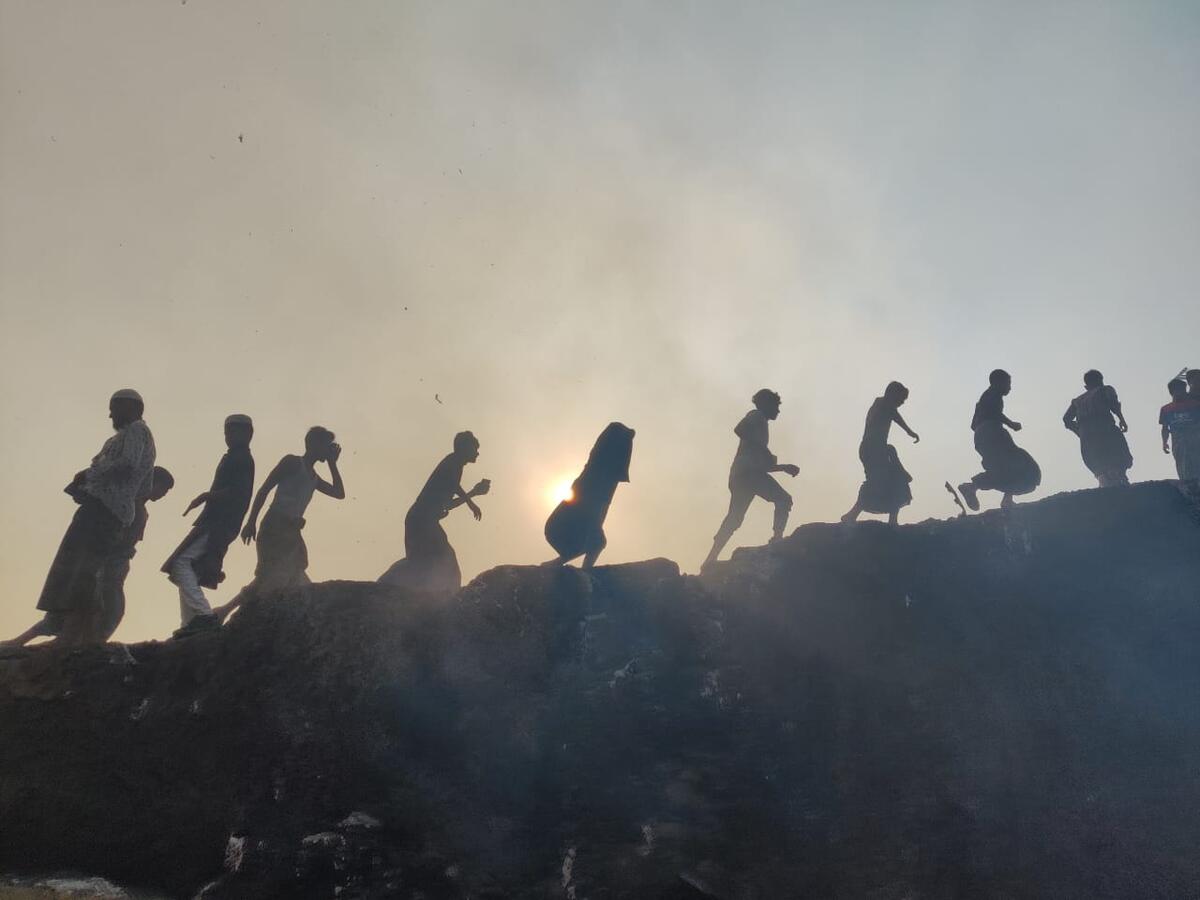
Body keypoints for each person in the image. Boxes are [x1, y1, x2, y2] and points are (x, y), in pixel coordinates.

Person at [8, 390, 158, 649]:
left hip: (105, 512)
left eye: (114, 408)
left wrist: (90, 474)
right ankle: (74, 635)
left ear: (130, 407)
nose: (110, 414)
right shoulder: (125, 436)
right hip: (102, 508)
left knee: (83, 573)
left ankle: (76, 637)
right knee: (74, 571)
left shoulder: (137, 431)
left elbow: (128, 465)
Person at [211, 426, 344, 625]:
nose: (329, 449)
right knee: (270, 575)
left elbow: (339, 493)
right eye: (326, 445)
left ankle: (224, 611)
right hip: (275, 525)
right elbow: (264, 490)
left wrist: (332, 463)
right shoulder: (292, 462)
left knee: (288, 574)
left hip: (292, 532)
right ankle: (228, 613)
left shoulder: (314, 478)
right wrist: (251, 521)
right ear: (313, 444)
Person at [163, 415, 256, 637]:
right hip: (217, 521)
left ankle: (204, 616)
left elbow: (238, 492)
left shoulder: (242, 459)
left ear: (248, 434)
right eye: (226, 432)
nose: (228, 437)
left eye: (233, 432)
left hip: (219, 522)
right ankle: (190, 625)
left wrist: (207, 496)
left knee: (180, 563)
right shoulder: (234, 457)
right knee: (192, 568)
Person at [379, 431, 490, 593]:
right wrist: (471, 499)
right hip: (421, 522)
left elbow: (449, 499)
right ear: (465, 448)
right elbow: (452, 489)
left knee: (428, 563)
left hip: (422, 521)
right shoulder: (453, 463)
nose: (477, 453)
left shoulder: (454, 465)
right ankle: (388, 585)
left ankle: (389, 585)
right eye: (475, 448)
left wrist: (472, 495)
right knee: (440, 563)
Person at [702, 390, 799, 570]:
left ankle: (710, 558)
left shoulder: (760, 424)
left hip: (742, 475)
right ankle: (777, 538)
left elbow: (760, 460)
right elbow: (740, 429)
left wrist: (783, 467)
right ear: (766, 404)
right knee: (783, 499)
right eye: (776, 406)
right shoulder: (757, 416)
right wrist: (764, 450)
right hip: (749, 474)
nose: (778, 411)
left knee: (735, 517)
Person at [543, 422, 635, 569]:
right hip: (573, 515)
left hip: (583, 511)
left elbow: (602, 505)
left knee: (596, 542)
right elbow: (596, 502)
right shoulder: (599, 470)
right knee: (596, 542)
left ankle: (579, 568)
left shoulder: (606, 474)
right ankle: (580, 568)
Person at [98, 467, 175, 641]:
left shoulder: (141, 510)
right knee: (112, 610)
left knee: (111, 610)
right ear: (152, 483)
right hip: (110, 564)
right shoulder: (130, 505)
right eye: (163, 489)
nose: (163, 495)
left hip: (118, 565)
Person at [957, 370, 1041, 511]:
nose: (1009, 388)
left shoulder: (983, 400)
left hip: (980, 436)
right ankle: (973, 487)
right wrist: (1011, 424)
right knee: (1024, 466)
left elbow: (973, 425)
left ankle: (997, 495)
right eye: (1007, 383)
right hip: (992, 433)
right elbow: (994, 413)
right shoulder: (993, 395)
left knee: (1003, 468)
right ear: (997, 382)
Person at [841, 382, 920, 526]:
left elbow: (893, 414)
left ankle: (890, 519)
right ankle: (852, 514)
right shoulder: (882, 404)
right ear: (892, 394)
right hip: (872, 450)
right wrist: (909, 431)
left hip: (876, 449)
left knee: (892, 480)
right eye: (901, 399)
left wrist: (908, 432)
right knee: (879, 482)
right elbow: (894, 415)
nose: (902, 403)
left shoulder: (883, 406)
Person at [1062, 370, 1133, 487]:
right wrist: (1122, 419)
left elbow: (1066, 419)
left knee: (1099, 465)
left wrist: (1080, 432)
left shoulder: (1077, 401)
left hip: (1087, 437)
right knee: (1119, 455)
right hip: (1105, 429)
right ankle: (1119, 479)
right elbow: (1114, 404)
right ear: (1101, 381)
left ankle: (1105, 482)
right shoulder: (1105, 390)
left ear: (1086, 386)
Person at [1160, 378, 1200, 483]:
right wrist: (1164, 442)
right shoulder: (1166, 409)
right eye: (1180, 390)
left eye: (1184, 390)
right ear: (1173, 392)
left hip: (1195, 439)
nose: (1183, 392)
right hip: (1178, 441)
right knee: (1182, 466)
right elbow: (1165, 428)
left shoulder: (1195, 405)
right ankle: (1188, 485)